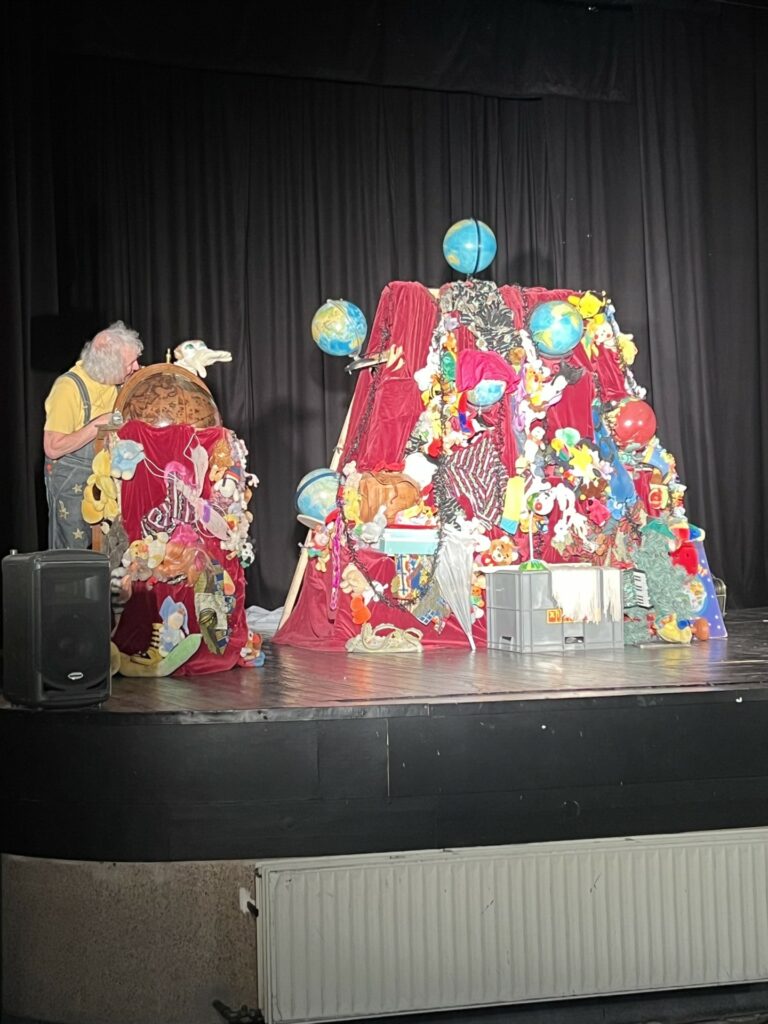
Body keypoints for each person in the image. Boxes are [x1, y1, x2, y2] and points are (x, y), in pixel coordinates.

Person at [43, 320, 143, 548]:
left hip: (109, 480)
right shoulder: (68, 388)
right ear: (108, 367)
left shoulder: (120, 382)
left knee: (113, 549)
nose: (136, 367)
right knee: (74, 554)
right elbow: (53, 447)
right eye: (130, 363)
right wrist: (98, 424)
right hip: (72, 480)